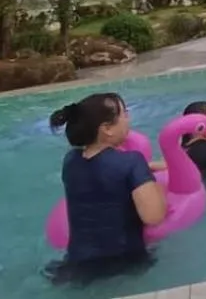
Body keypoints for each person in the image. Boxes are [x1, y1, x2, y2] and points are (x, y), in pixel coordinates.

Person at [45, 93, 165, 285]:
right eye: (124, 113)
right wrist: (156, 185)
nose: (129, 119)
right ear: (107, 129)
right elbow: (154, 216)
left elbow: (102, 175)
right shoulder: (132, 162)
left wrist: (145, 169)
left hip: (77, 265)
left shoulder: (70, 161)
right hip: (125, 266)